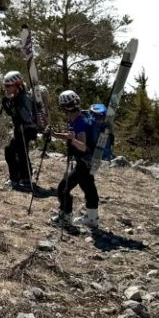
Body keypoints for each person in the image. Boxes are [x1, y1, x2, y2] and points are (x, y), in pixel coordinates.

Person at [51, 89, 101, 230]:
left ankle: (66, 217)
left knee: (63, 188)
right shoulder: (80, 117)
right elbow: (71, 136)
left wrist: (73, 141)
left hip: (84, 162)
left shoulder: (80, 123)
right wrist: (55, 134)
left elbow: (83, 146)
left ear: (64, 107)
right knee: (88, 187)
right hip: (90, 161)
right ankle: (92, 219)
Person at [0, 71, 40, 190]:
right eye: (5, 85)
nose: (5, 88)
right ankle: (18, 178)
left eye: (8, 85)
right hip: (21, 129)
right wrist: (7, 102)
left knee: (20, 153)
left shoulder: (23, 98)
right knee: (13, 151)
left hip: (25, 130)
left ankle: (24, 180)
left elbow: (24, 117)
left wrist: (9, 104)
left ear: (16, 85)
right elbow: (13, 113)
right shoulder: (18, 96)